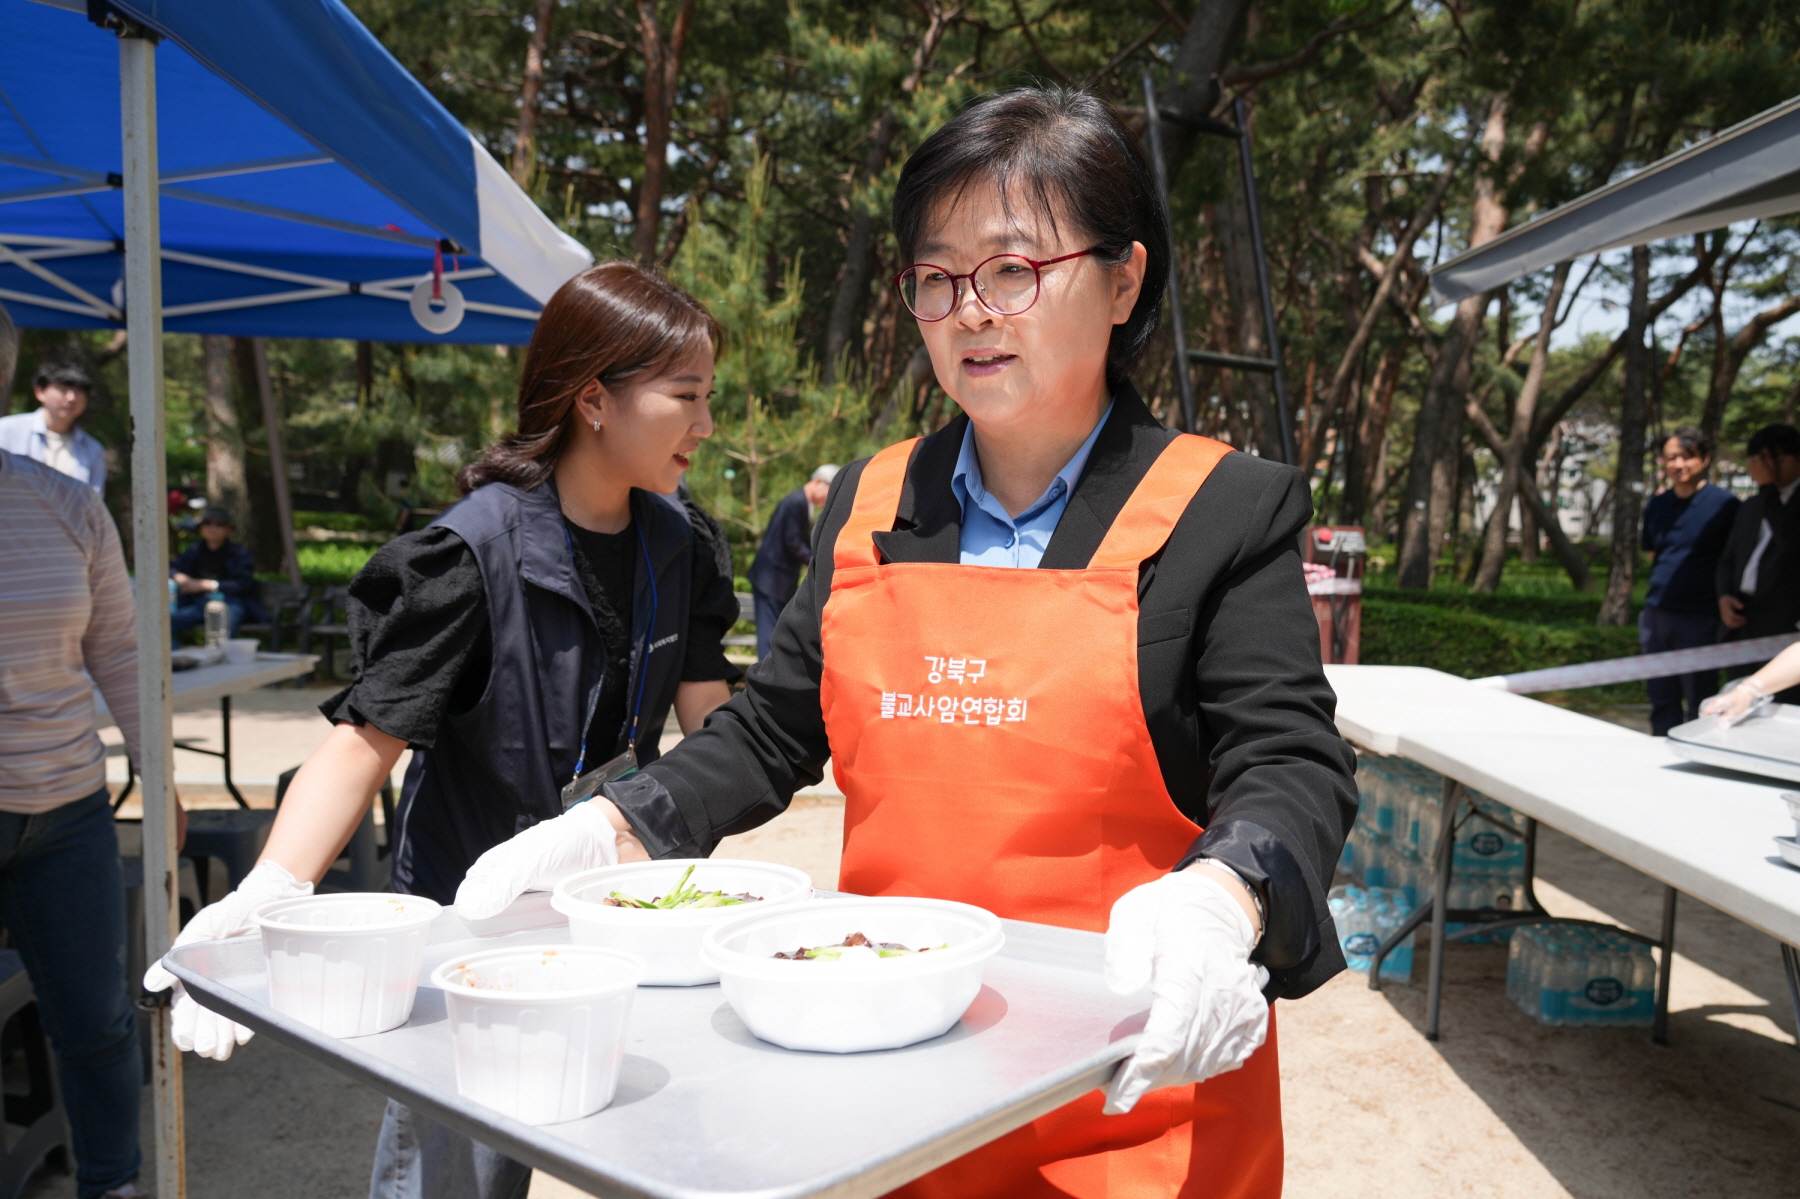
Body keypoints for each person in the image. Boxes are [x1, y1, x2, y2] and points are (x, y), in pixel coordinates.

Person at [454, 87, 1356, 1199]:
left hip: (1135, 1095)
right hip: (898, 1091)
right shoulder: (876, 496)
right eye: (937, 279)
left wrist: (1229, 895)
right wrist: (618, 824)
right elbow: (778, 726)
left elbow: (1291, 758)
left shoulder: (1225, 504)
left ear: (1124, 280)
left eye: (1014, 270)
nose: (971, 312)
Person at [144, 262, 741, 1199]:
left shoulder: (682, 542)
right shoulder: (471, 554)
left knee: (654, 1139)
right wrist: (272, 884)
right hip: (480, 916)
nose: (707, 425)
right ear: (595, 398)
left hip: (624, 903)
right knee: (457, 1169)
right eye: (688, 396)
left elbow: (716, 725)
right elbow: (361, 741)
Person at [0, 447, 185, 1199]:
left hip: (69, 809)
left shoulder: (65, 502)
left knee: (100, 1018)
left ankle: (113, 1183)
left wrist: (159, 771)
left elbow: (119, 647)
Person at [1639, 426, 1738, 735]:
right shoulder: (1656, 505)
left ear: (1705, 459)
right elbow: (1653, 552)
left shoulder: (1726, 505)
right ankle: (1660, 751)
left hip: (1701, 616)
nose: (1678, 464)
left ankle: (1700, 756)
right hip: (1657, 614)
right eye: (1671, 457)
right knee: (1661, 695)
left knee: (1701, 697)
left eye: (1687, 457)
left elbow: (1733, 560)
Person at [1718, 424, 1800, 698]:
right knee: (1736, 702)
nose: (1770, 467)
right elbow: (1728, 559)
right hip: (1742, 623)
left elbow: (1789, 540)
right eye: (1762, 460)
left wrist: (1767, 486)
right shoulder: (1752, 505)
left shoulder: (1782, 501)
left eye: (1776, 459)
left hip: (1785, 631)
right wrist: (1724, 596)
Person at [746, 463, 839, 658]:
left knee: (775, 633)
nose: (827, 499)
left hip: (777, 580)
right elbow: (793, 542)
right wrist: (817, 562)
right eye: (828, 492)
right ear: (818, 482)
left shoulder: (802, 503)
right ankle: (765, 683)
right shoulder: (796, 502)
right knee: (768, 634)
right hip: (770, 580)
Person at [0, 361, 108, 494]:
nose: (71, 398)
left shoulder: (93, 449)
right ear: (40, 392)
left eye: (79, 391)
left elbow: (93, 504)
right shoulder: (5, 431)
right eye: (62, 389)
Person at [169, 506, 266, 638]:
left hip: (231, 603)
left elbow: (244, 584)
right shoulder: (194, 550)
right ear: (201, 528)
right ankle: (179, 658)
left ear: (228, 529)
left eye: (219, 524)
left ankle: (220, 657)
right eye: (207, 523)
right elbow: (171, 567)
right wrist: (180, 577)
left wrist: (207, 585)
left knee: (222, 630)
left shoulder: (239, 553)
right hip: (199, 604)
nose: (212, 528)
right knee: (165, 625)